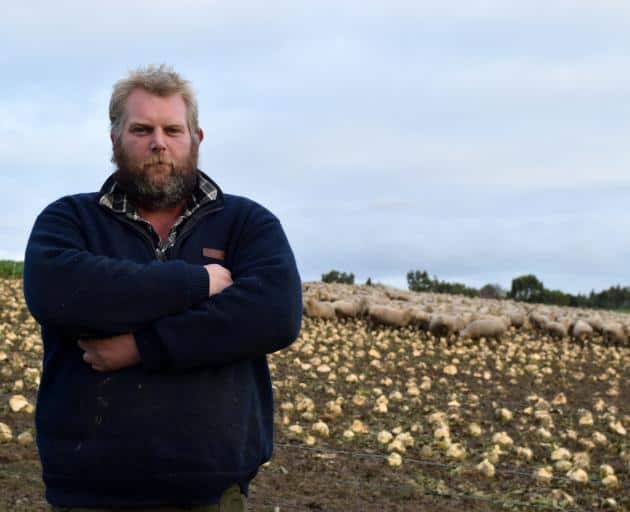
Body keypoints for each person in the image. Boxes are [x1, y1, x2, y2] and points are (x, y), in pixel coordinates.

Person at [23, 64, 302, 511]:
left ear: (196, 138)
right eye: (141, 129)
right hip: (87, 494)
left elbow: (273, 313)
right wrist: (198, 282)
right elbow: (60, 292)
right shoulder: (69, 219)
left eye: (173, 129)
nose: (159, 142)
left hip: (211, 494)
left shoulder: (247, 224)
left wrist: (143, 345)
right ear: (114, 138)